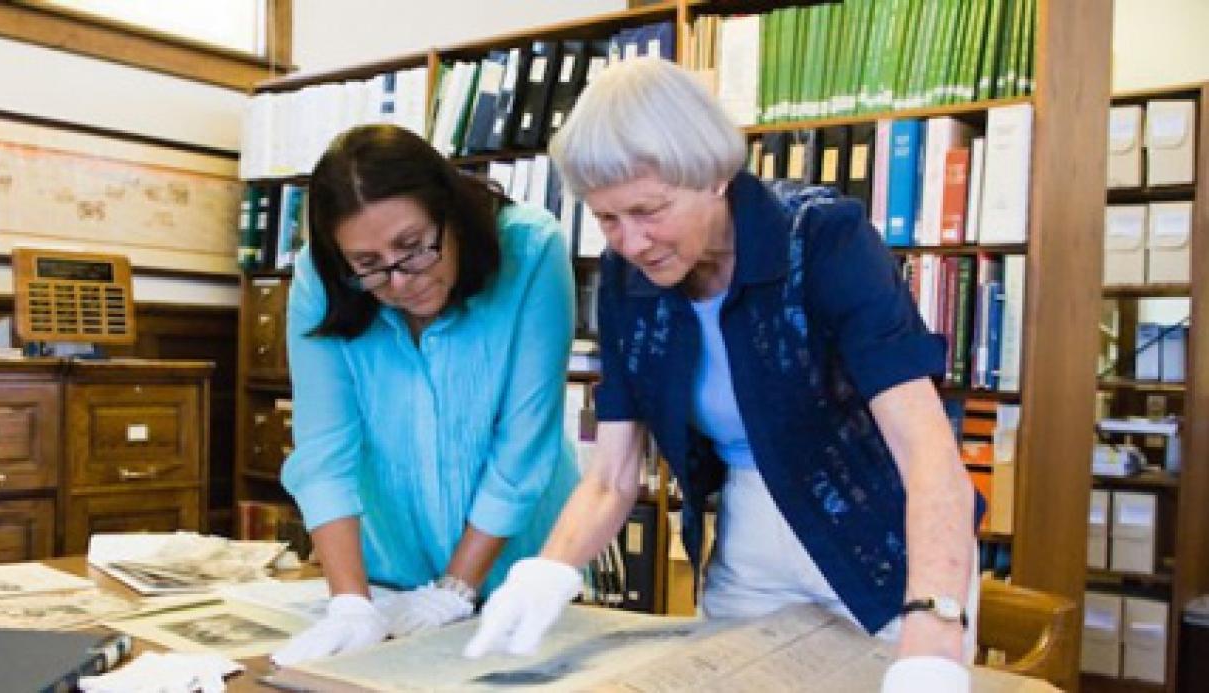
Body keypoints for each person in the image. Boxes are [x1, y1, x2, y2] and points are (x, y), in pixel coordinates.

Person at [464, 58, 981, 692]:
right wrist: (548, 570)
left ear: (713, 175)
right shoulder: (629, 282)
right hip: (750, 542)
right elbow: (612, 478)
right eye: (606, 218)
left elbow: (926, 452)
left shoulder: (823, 239)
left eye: (648, 209)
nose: (630, 241)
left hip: (883, 545)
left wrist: (933, 623)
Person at [270, 124, 580, 666]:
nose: (400, 281)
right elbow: (324, 450)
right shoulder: (320, 280)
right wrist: (349, 602)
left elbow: (524, 443)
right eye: (368, 265)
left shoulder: (532, 249)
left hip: (519, 570)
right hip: (392, 576)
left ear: (450, 211)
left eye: (413, 248)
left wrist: (455, 589)